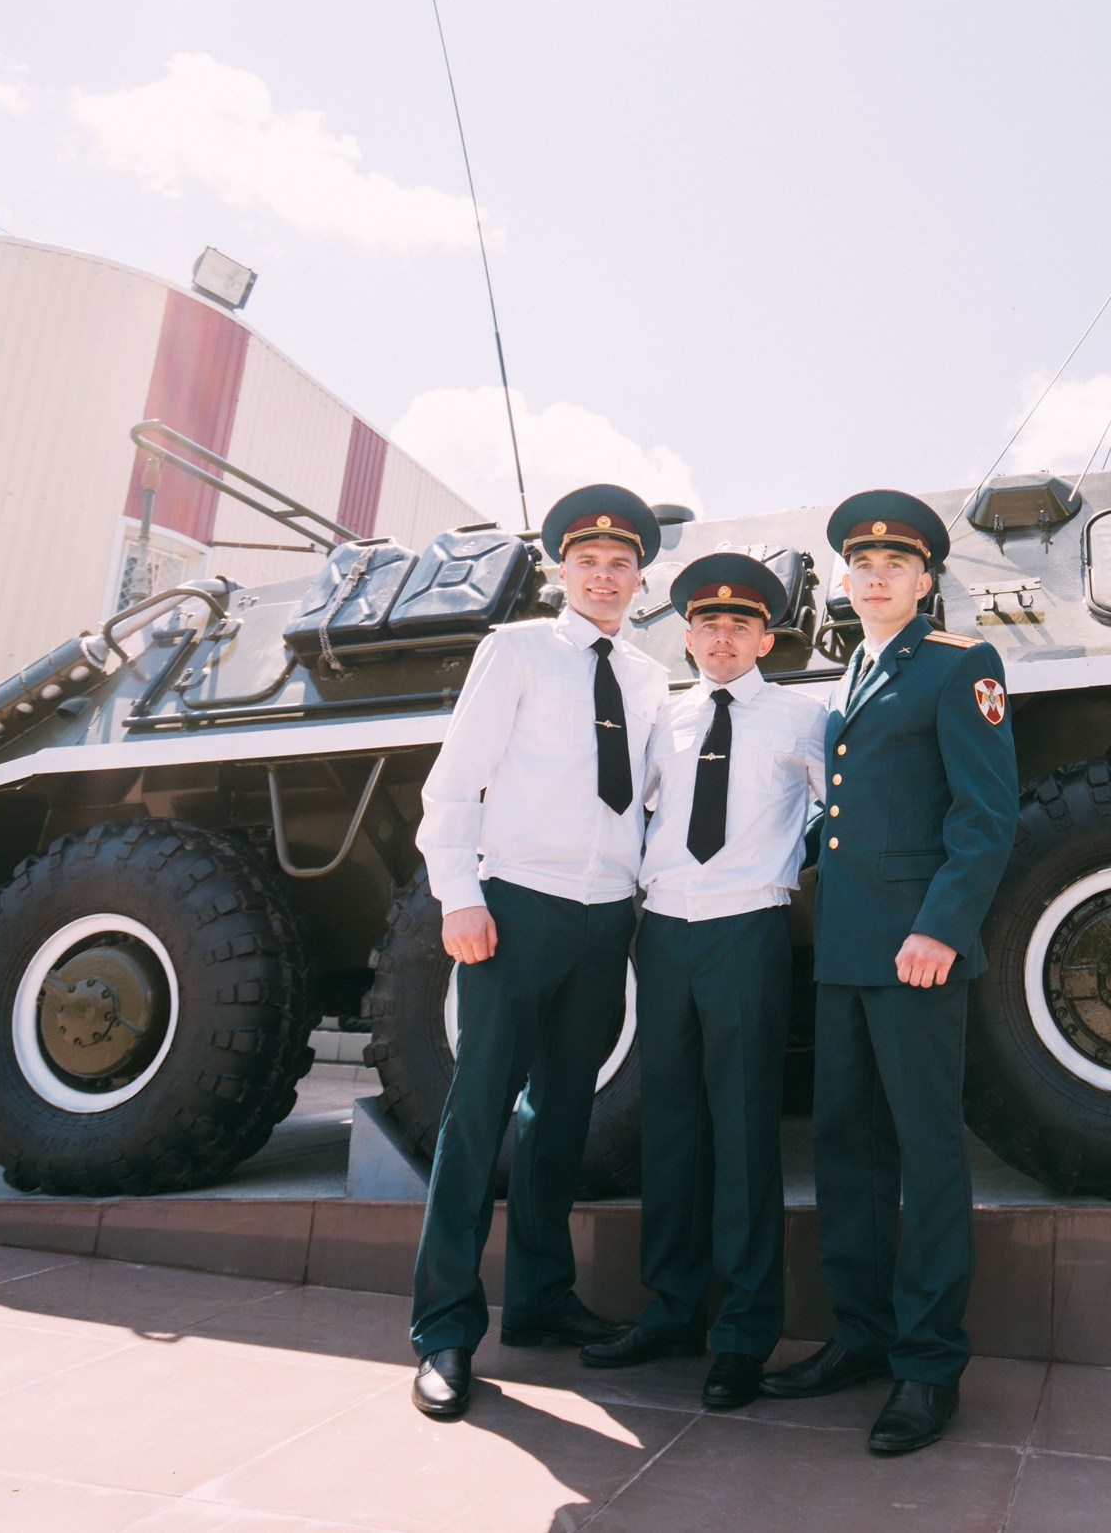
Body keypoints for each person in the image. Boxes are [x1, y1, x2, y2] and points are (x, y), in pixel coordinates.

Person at [760, 489, 1017, 1457]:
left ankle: (926, 1364)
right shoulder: (853, 671)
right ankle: (859, 1337)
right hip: (846, 953)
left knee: (925, 1155)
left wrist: (940, 929)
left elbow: (984, 816)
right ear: (842, 579)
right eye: (859, 565)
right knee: (846, 1152)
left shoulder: (960, 667)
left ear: (925, 580)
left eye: (894, 566)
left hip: (916, 953)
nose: (874, 577)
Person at [407, 485, 671, 1422]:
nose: (605, 577)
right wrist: (460, 897)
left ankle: (542, 1299)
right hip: (516, 908)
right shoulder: (514, 649)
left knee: (562, 1119)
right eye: (588, 562)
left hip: (606, 920)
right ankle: (443, 1329)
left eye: (622, 563)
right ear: (564, 568)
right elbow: (454, 785)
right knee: (477, 1115)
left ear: (643, 575)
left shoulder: (647, 677)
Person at [578, 553, 825, 1411]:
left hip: (747, 931)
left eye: (740, 625)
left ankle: (745, 1332)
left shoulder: (804, 718)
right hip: (668, 936)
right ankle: (673, 1307)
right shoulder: (663, 722)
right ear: (687, 635)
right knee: (671, 1128)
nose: (722, 638)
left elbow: (840, 813)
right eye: (708, 625)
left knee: (746, 1130)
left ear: (767, 636)